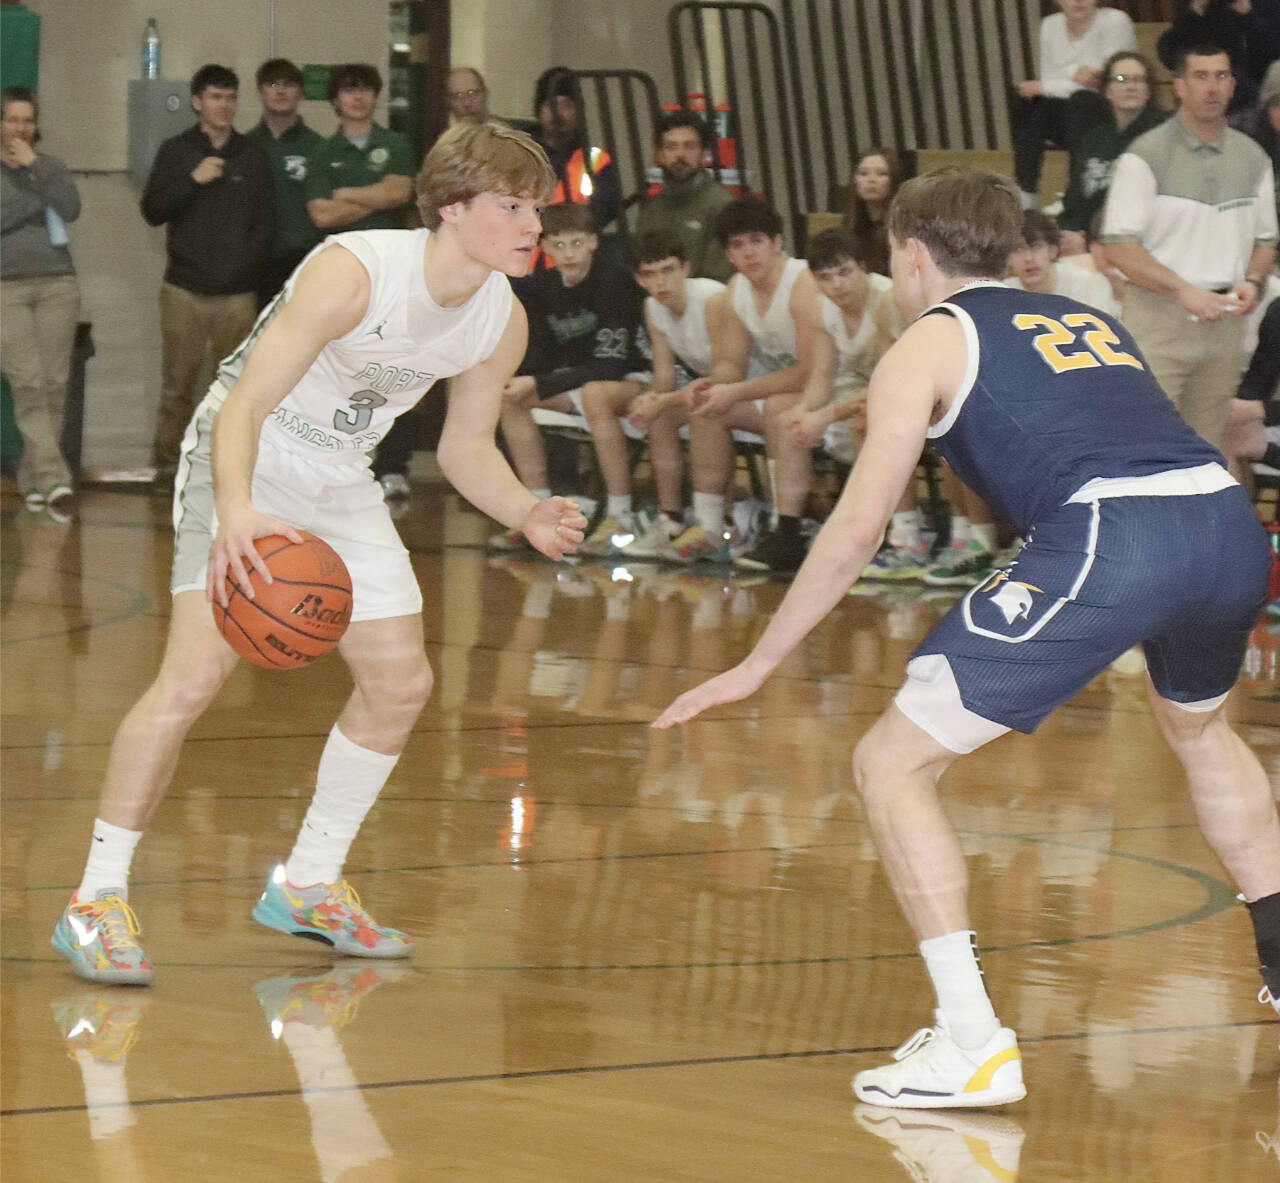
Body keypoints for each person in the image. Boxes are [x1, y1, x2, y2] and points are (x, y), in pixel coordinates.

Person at [654, 166, 1280, 1107]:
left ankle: (971, 1039)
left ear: (909, 256)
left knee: (890, 764)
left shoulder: (928, 340)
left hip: (1117, 533)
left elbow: (858, 528)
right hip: (1225, 520)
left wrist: (760, 660)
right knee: (1198, 729)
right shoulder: (1088, 321)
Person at [50, 121, 586, 986]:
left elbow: (463, 450)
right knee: (190, 680)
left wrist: (525, 509)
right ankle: (96, 900)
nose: (533, 225)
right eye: (513, 206)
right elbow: (244, 403)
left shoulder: (500, 320)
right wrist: (236, 511)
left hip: (339, 474)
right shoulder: (356, 272)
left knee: (402, 682)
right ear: (452, 209)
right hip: (249, 454)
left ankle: (307, 882)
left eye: (538, 208)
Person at [1101, 43, 1278, 448]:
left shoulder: (1253, 157)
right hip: (1159, 320)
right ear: (1179, 86)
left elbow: (1266, 240)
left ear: (1233, 86)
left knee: (1207, 449)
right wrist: (1184, 291)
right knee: (1148, 444)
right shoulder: (1144, 155)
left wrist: (1252, 280)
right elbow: (1118, 247)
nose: (1211, 87)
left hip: (1225, 325)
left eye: (1220, 77)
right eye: (1201, 77)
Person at [141, 64, 274, 493]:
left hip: (237, 294)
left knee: (234, 391)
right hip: (183, 289)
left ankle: (226, 470)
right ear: (197, 102)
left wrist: (246, 271)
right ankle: (166, 468)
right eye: (216, 97)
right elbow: (152, 210)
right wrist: (192, 181)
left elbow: (266, 223)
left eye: (231, 97)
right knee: (178, 385)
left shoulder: (252, 155)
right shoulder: (176, 151)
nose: (224, 105)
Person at [492, 203, 648, 553]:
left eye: (577, 243)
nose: (569, 254)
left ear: (594, 242)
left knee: (593, 393)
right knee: (511, 397)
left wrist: (541, 383)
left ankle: (620, 515)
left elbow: (612, 364)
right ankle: (536, 509)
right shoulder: (541, 287)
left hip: (635, 377)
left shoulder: (614, 282)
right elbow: (541, 355)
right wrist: (527, 380)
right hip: (583, 380)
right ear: (544, 248)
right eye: (559, 245)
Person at [690, 196, 818, 574]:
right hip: (786, 393)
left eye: (756, 241)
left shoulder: (803, 282)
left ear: (778, 243)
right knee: (709, 409)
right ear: (729, 254)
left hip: (834, 388)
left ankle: (789, 531)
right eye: (737, 245)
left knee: (781, 407)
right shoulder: (736, 291)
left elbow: (809, 372)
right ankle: (710, 528)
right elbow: (731, 362)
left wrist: (738, 390)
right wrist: (715, 386)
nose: (748, 253)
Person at [624, 230, 765, 563]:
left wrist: (667, 398)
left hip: (755, 386)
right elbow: (663, 376)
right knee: (659, 414)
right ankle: (670, 519)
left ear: (685, 269)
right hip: (714, 389)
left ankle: (711, 524)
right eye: (650, 274)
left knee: (702, 406)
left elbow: (729, 374)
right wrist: (651, 399)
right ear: (640, 280)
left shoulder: (712, 300)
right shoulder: (652, 307)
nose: (661, 282)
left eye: (668, 270)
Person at [0, 86, 79, 514]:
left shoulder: (50, 167)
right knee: (27, 382)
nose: (21, 128)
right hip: (6, 288)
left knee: (53, 385)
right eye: (13, 119)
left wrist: (37, 174)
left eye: (27, 120)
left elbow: (71, 207)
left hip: (57, 285)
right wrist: (33, 199)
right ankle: (53, 478)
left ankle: (32, 477)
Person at [1010, 0, 1137, 210]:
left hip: (1110, 112)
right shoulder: (1050, 25)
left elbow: (1108, 82)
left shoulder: (1115, 21)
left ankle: (1075, 196)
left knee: (1081, 101)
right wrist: (1073, 76)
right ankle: (1026, 193)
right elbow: (1048, 81)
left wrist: (1059, 81)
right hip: (1068, 113)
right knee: (1029, 102)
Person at [1058, 50, 1167, 256]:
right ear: (1107, 90)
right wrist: (1071, 234)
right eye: (1121, 79)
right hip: (1091, 244)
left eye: (1139, 80)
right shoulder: (1092, 139)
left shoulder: (1164, 135)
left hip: (1145, 243)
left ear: (1149, 89)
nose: (1131, 86)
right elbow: (1075, 201)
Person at [245, 58, 323, 309]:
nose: (280, 91)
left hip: (305, 260)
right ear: (260, 92)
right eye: (272, 84)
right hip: (254, 263)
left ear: (299, 92)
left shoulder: (319, 147)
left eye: (289, 84)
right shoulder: (243, 146)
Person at [304, 63, 414, 234]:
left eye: (365, 89)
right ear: (335, 101)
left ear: (375, 97)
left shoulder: (396, 143)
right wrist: (380, 200)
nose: (358, 97)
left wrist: (344, 194)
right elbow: (323, 216)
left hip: (389, 247)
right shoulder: (321, 152)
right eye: (349, 91)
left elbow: (398, 193)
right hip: (342, 251)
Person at [635, 111, 735, 282]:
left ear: (705, 154)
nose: (680, 155)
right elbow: (643, 269)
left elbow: (718, 279)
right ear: (660, 155)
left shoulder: (722, 206)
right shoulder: (651, 210)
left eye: (689, 146)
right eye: (671, 147)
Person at [530, 66, 620, 233]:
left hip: (575, 252)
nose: (558, 113)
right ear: (539, 111)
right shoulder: (518, 156)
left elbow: (604, 211)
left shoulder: (596, 161)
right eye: (551, 105)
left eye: (567, 105)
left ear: (578, 112)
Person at [1158, 0, 1280, 117]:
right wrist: (1194, 13)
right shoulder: (1193, 7)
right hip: (1201, 94)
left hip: (1250, 99)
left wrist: (1248, 17)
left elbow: (1272, 56)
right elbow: (1168, 56)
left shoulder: (1266, 4)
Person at [1007, 209, 1119, 316]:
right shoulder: (1004, 292)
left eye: (1036, 247)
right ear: (1007, 258)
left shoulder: (1089, 285)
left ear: (1052, 251)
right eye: (1018, 249)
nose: (1028, 258)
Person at [840, 148, 906, 277]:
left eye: (881, 174)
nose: (871, 180)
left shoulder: (902, 227)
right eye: (863, 173)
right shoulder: (849, 228)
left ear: (894, 180)